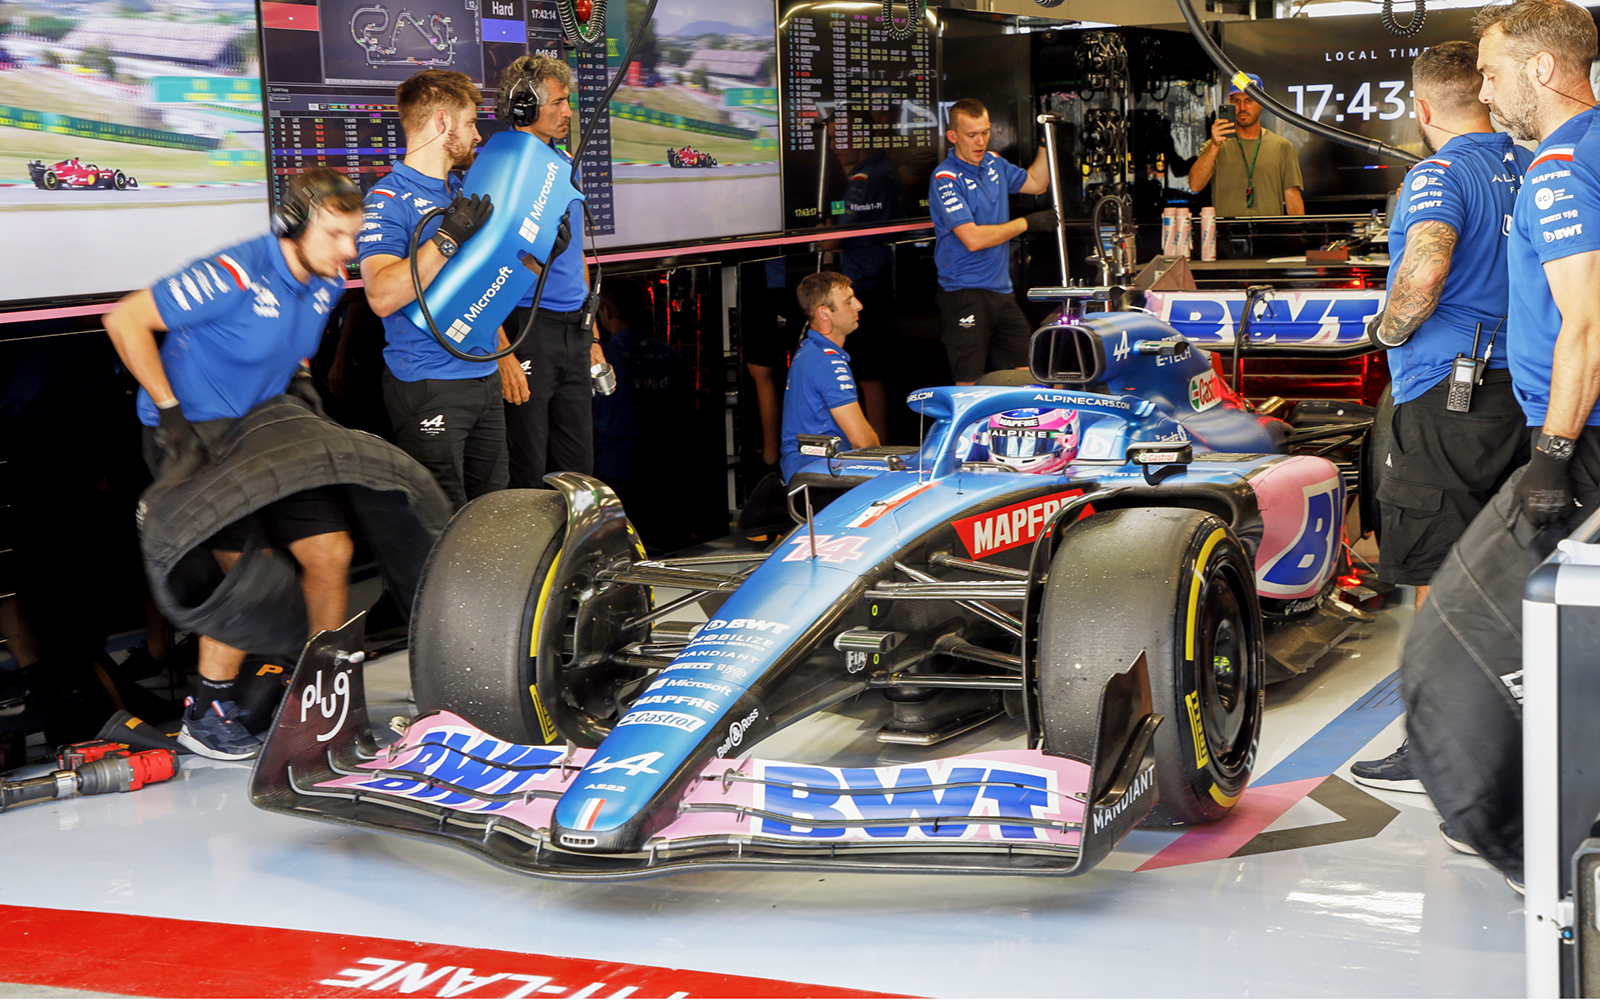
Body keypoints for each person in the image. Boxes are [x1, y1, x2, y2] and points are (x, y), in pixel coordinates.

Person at [1397, 0, 1600, 884]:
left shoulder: (1558, 166)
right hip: (1557, 419)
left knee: (1458, 641)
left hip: (1577, 435)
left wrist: (1552, 455)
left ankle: (1532, 840)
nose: (1483, 91)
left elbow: (1586, 322)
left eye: (1492, 71)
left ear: (1543, 69)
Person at [103, 167, 362, 759]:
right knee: (253, 571)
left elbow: (291, 346)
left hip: (261, 428)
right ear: (292, 227)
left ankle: (315, 687)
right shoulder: (236, 271)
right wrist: (169, 410)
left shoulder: (327, 282)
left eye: (355, 235)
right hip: (191, 436)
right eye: (335, 234)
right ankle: (208, 711)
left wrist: (299, 381)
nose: (349, 250)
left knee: (330, 551)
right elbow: (125, 320)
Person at [1347, 41, 1533, 794]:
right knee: (1512, 564)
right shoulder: (1535, 165)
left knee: (1437, 570)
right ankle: (1516, 736)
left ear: (1422, 107)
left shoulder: (1438, 173)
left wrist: (1386, 331)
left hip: (1448, 398)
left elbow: (1424, 271)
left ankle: (1436, 750)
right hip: (1529, 396)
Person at [359, 69, 524, 510]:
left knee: (493, 515)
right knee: (441, 521)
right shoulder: (386, 199)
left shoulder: (463, 191)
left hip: (482, 375)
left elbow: (490, 280)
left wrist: (538, 251)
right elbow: (381, 295)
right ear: (442, 121)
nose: (477, 135)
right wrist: (446, 238)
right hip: (429, 380)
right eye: (470, 123)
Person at [495, 54, 606, 488]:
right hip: (527, 327)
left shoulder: (564, 162)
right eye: (558, 102)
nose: (568, 112)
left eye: (568, 101)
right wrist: (502, 351)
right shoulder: (502, 169)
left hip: (575, 330)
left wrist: (592, 336)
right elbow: (482, 270)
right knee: (529, 469)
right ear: (524, 107)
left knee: (579, 471)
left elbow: (575, 254)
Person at [929, 99, 1056, 385]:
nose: (980, 141)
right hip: (964, 293)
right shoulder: (945, 178)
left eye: (985, 132)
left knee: (1030, 380)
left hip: (1001, 291)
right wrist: (1026, 223)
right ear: (953, 136)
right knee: (969, 385)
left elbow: (1037, 183)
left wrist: (1046, 142)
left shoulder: (994, 162)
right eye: (971, 135)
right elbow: (972, 239)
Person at [592, 275, 690, 549]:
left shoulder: (601, 361)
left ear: (606, 311)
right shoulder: (674, 357)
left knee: (623, 551)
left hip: (614, 473)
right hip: (666, 473)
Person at [779, 272, 879, 480]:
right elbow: (864, 442)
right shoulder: (828, 362)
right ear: (824, 313)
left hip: (809, 471)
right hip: (820, 476)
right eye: (848, 302)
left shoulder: (810, 351)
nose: (859, 306)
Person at [1189, 73, 1306, 216]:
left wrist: (1299, 229)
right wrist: (1214, 146)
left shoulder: (1282, 146)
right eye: (1237, 101)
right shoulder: (1215, 146)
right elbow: (1195, 185)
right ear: (1230, 102)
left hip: (1269, 230)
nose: (1242, 107)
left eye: (1249, 100)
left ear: (1262, 102)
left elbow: (1292, 198)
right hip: (1227, 230)